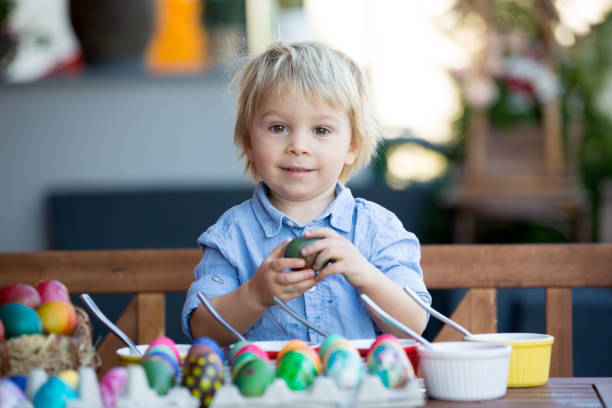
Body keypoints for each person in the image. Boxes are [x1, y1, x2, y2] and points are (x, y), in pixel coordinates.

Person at [182, 41, 431, 346]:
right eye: (278, 127)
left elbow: (414, 325)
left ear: (352, 145)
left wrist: (365, 275)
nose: (298, 145)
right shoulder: (232, 236)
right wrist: (255, 295)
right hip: (265, 392)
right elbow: (203, 330)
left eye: (321, 130)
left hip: (359, 391)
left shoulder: (377, 230)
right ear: (249, 140)